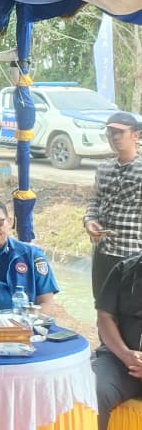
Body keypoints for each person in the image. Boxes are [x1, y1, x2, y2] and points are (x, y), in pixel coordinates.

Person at [84, 111, 142, 301]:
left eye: (120, 132)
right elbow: (95, 200)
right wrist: (89, 221)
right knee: (101, 305)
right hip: (102, 251)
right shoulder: (104, 168)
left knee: (128, 310)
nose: (115, 137)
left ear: (135, 135)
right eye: (111, 132)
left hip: (132, 254)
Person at [92, 253, 142, 430]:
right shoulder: (124, 269)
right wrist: (125, 354)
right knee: (93, 387)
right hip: (120, 361)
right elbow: (104, 316)